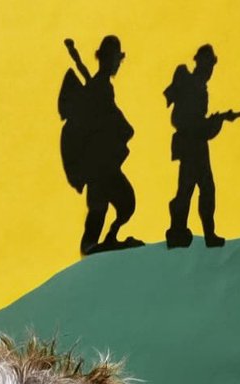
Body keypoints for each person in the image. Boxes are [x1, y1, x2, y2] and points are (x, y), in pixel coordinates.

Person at [59, 35, 143, 255]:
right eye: (115, 59)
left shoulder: (101, 86)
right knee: (109, 204)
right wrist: (122, 125)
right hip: (99, 163)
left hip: (103, 162)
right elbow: (107, 114)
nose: (117, 64)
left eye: (118, 59)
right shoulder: (100, 87)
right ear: (106, 59)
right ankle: (93, 244)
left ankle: (106, 239)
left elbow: (109, 114)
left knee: (121, 203)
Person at [164, 44, 240, 247]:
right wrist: (218, 120)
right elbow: (189, 120)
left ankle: (195, 233)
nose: (211, 70)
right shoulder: (192, 86)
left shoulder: (199, 87)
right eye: (209, 65)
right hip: (192, 146)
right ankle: (181, 233)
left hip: (196, 145)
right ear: (201, 64)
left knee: (196, 189)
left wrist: (220, 118)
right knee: (194, 189)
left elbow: (197, 121)